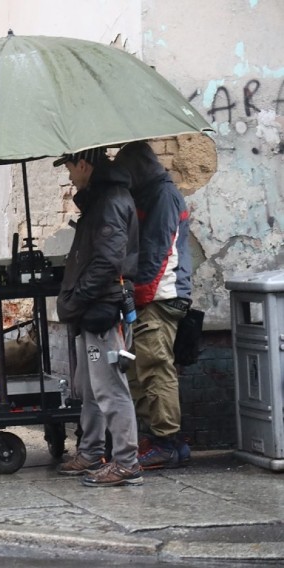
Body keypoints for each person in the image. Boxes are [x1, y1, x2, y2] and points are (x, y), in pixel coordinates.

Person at [53, 147, 142, 487]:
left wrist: (76, 300)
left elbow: (107, 262)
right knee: (90, 388)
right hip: (94, 308)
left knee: (110, 389)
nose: (69, 175)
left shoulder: (109, 202)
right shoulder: (100, 199)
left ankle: (126, 463)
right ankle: (91, 452)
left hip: (103, 310)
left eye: (70, 167)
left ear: (85, 165)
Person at [114, 141, 192, 469]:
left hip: (161, 297)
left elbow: (158, 253)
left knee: (155, 367)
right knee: (142, 367)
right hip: (156, 295)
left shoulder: (162, 196)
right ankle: (162, 439)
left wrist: (139, 297)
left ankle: (167, 442)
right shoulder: (151, 193)